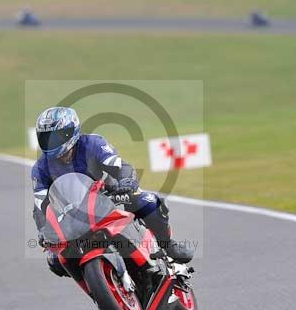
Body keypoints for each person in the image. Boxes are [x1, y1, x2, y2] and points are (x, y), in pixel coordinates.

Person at [31, 106, 194, 277]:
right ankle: (96, 287)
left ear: (71, 132)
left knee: (149, 202)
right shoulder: (40, 168)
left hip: (109, 198)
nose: (52, 142)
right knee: (54, 260)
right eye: (47, 138)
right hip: (74, 216)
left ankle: (166, 245)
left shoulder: (92, 143)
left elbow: (120, 165)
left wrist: (126, 182)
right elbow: (40, 205)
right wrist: (44, 230)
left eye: (56, 137)